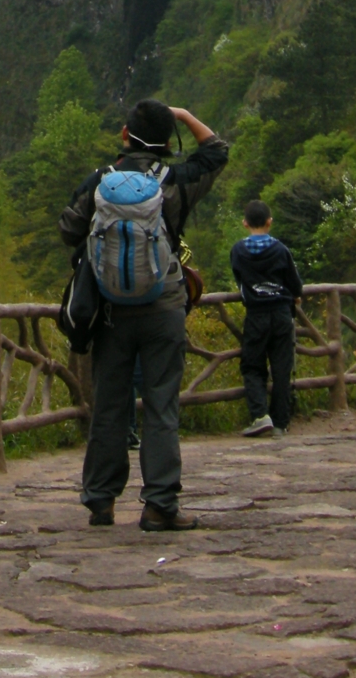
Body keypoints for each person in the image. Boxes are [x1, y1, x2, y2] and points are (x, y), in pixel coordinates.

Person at [59, 99, 227, 532]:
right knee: (160, 406)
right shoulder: (178, 180)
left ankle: (100, 501)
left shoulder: (101, 180)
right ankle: (159, 505)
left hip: (110, 311)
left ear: (124, 135)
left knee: (110, 406)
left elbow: (68, 230)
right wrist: (186, 115)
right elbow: (216, 152)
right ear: (168, 141)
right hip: (163, 308)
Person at [230, 198, 303, 438]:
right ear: (269, 222)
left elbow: (240, 280)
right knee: (282, 368)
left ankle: (260, 416)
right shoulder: (281, 249)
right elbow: (295, 284)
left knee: (252, 366)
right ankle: (281, 422)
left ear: (245, 223)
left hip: (256, 314)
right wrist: (294, 296)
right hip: (282, 313)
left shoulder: (238, 251)